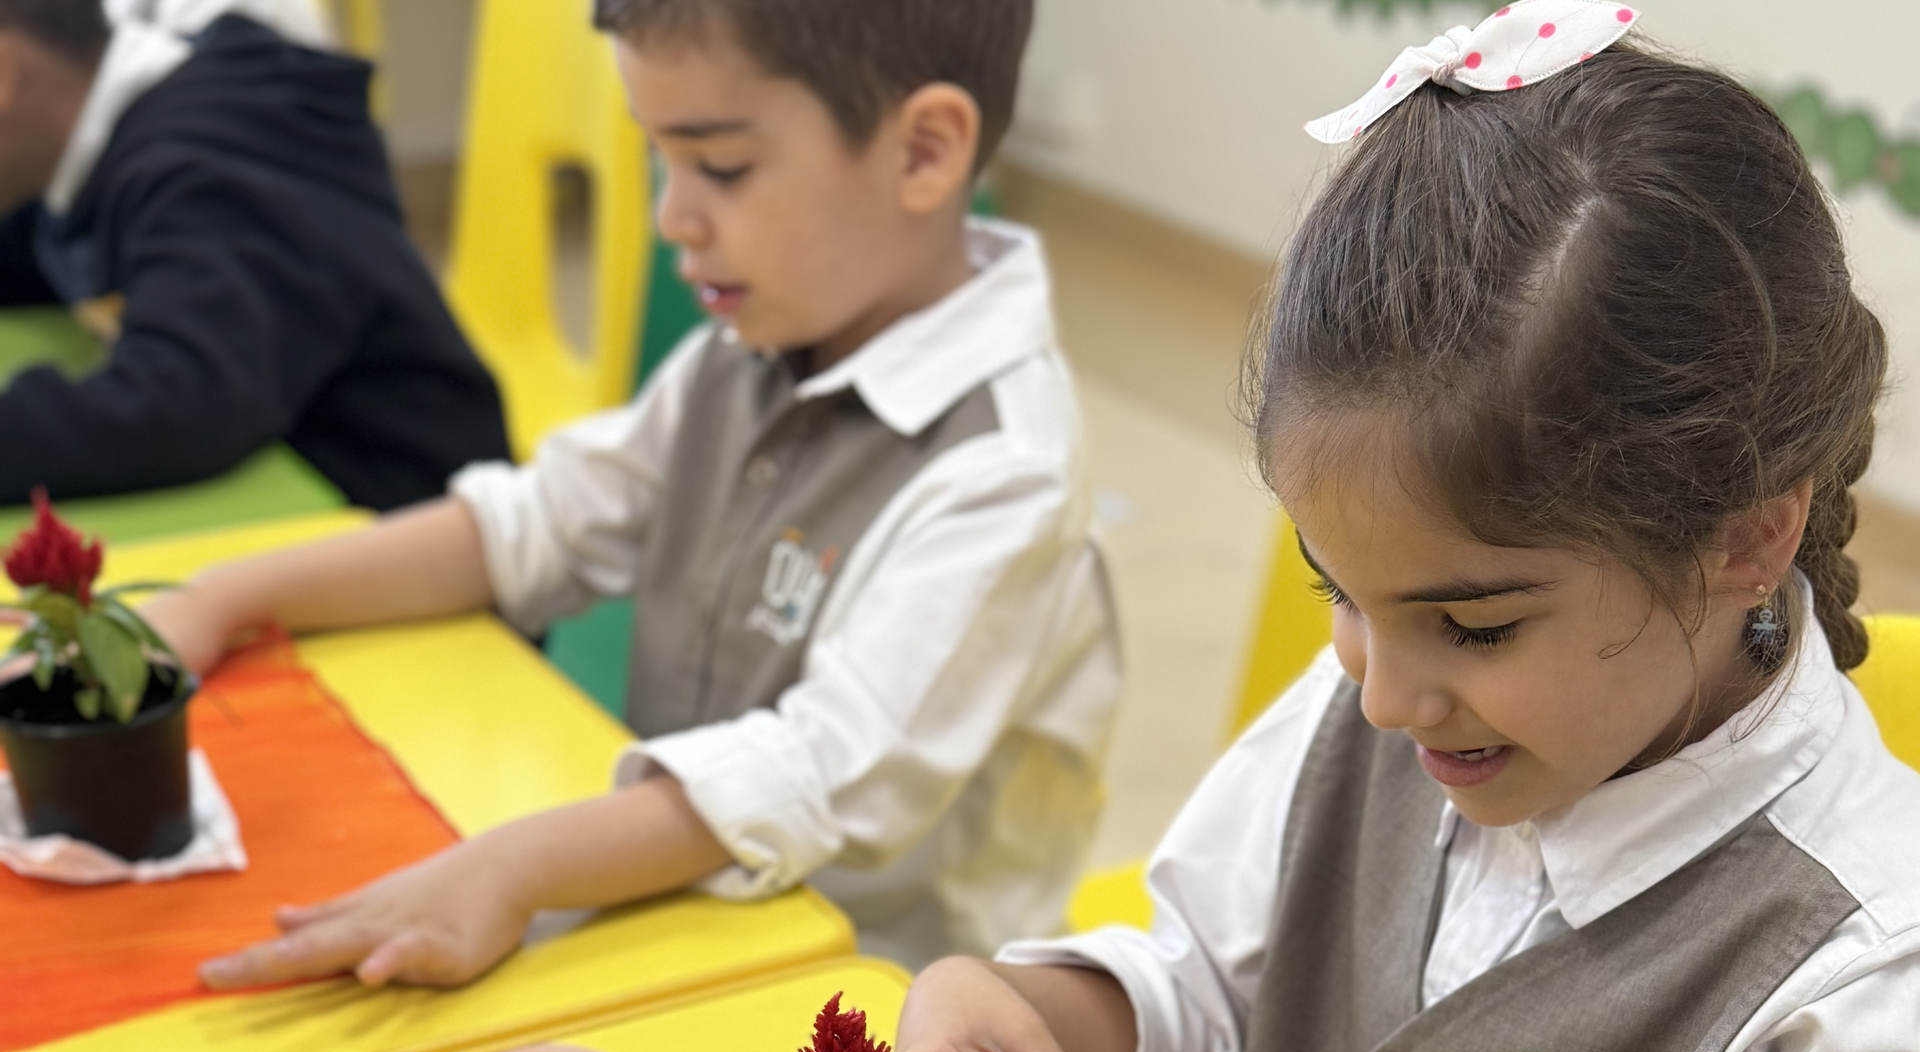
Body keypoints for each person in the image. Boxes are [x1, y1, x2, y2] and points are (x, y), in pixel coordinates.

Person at [896, 15, 1920, 1052]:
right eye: (1342, 596)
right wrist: (1033, 1019)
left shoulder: (1864, 951)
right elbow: (1212, 985)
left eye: (1477, 627)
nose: (1380, 693)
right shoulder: (1394, 701)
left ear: (1749, 538)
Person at [145, 0, 1118, 987]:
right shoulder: (745, 352)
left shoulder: (1003, 471)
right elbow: (537, 524)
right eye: (662, 160)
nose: (671, 218)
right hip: (673, 919)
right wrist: (224, 596)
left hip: (887, 1009)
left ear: (923, 151)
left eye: (721, 166)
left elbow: (815, 773)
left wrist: (515, 869)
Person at [0, 0, 510, 510]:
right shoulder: (94, 140)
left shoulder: (206, 168)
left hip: (392, 511)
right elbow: (36, 257)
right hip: (288, 482)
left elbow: (178, 404)